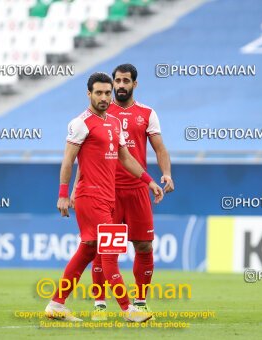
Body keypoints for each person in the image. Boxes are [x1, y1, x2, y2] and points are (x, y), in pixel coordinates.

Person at [44, 72, 164, 322]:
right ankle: (127, 309)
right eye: (98, 93)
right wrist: (63, 194)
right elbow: (67, 161)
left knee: (88, 250)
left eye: (107, 93)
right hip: (90, 196)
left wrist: (149, 181)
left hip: (108, 198)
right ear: (88, 94)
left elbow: (126, 158)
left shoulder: (113, 123)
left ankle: (56, 303)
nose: (104, 97)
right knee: (109, 251)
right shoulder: (80, 123)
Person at [71, 64, 173, 320]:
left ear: (135, 84)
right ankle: (100, 304)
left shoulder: (147, 113)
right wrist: (73, 189)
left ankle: (139, 302)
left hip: (138, 189)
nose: (120, 86)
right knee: (103, 248)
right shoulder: (100, 113)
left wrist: (165, 175)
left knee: (144, 245)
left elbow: (159, 148)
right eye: (117, 81)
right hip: (108, 191)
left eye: (126, 81)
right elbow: (80, 158)